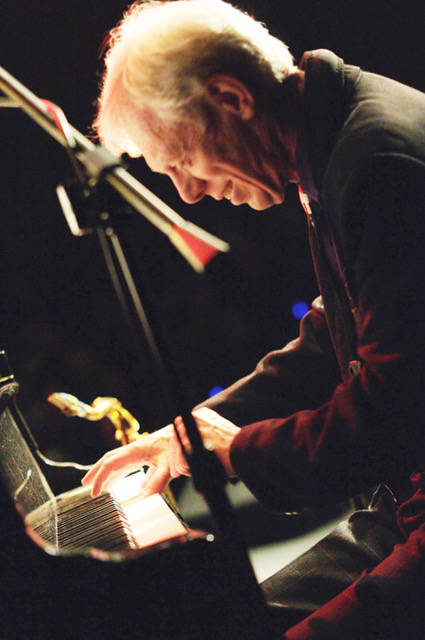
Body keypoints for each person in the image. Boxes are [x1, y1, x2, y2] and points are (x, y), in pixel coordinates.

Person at [82, 0, 425, 637]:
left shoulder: (379, 163)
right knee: (231, 622)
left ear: (232, 99)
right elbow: (336, 334)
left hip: (411, 496)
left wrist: (234, 452)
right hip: (403, 498)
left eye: (181, 160)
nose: (188, 192)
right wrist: (192, 433)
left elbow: (391, 414)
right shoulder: (341, 139)